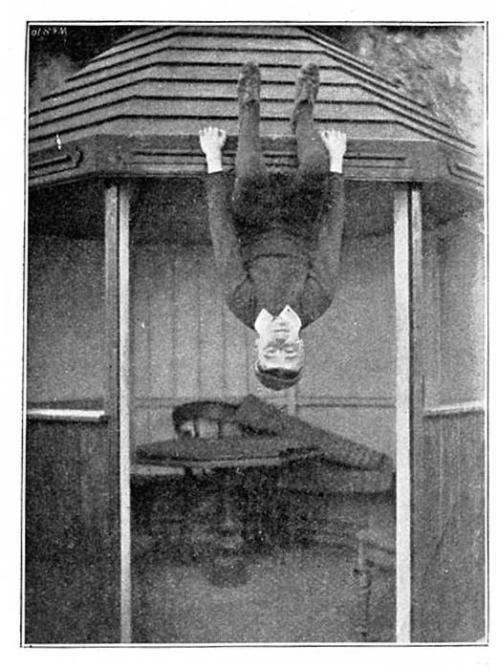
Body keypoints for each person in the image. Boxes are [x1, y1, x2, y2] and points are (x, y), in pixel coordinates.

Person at [199, 62, 346, 391]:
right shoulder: (316, 304)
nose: (281, 342)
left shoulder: (242, 304)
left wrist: (213, 160)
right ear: (301, 349)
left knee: (250, 170)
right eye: (289, 352)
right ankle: (303, 110)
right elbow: (330, 236)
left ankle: (248, 105)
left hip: (255, 222)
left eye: (271, 352)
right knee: (316, 163)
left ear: (257, 348)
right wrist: (337, 164)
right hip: (299, 222)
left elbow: (223, 236)